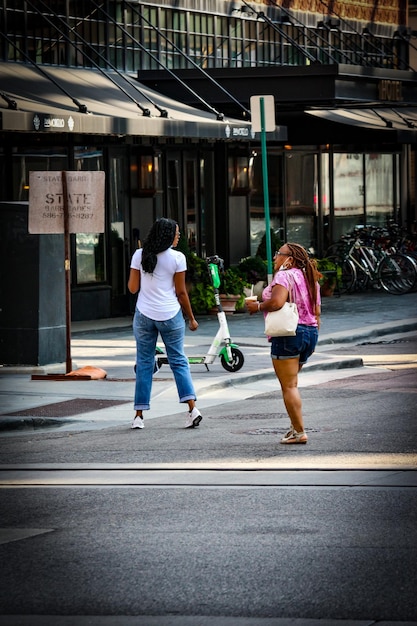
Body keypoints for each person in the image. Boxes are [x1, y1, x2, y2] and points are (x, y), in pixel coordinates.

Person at [127, 218, 202, 430]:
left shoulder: (139, 255)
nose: (179, 237)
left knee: (144, 363)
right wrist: (192, 318)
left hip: (143, 315)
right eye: (177, 233)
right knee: (178, 360)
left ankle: (139, 417)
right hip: (170, 315)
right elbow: (181, 292)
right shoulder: (178, 258)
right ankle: (192, 409)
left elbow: (133, 288)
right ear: (168, 235)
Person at [246, 242, 321, 444]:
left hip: (289, 334)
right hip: (310, 333)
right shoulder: (310, 278)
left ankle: (299, 431)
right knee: (292, 384)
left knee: (289, 386)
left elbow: (277, 303)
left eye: (278, 253)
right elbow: (318, 311)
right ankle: (294, 427)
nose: (274, 257)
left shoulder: (284, 275)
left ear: (290, 259)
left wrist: (257, 306)